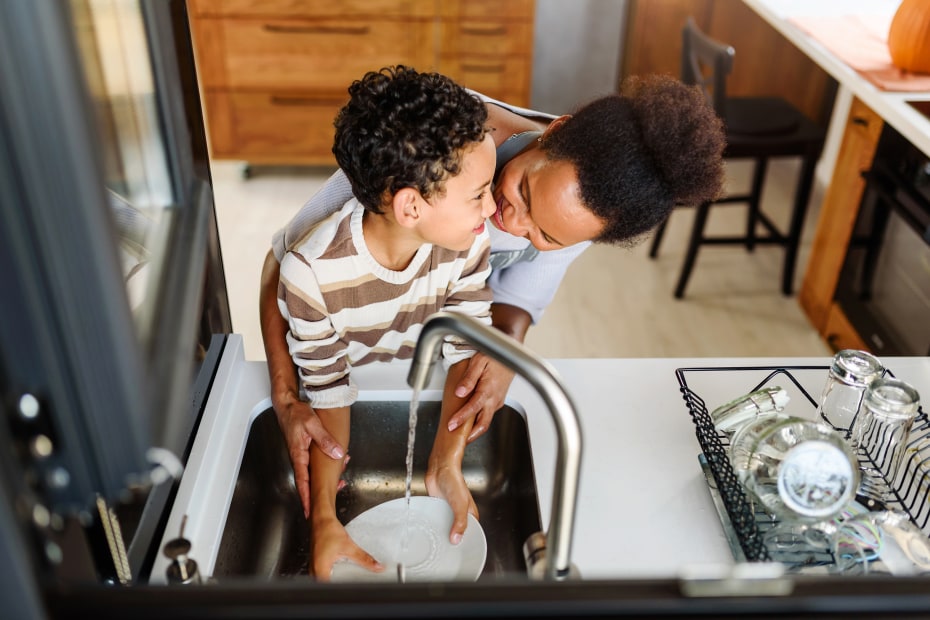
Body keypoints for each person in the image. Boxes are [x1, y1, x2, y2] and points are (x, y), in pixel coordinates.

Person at [259, 72, 727, 545]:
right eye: (522, 190)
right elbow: (286, 266)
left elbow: (508, 308)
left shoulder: (583, 208)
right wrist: (286, 396)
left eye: (545, 236)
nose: (505, 219)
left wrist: (502, 352)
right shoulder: (434, 145)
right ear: (553, 132)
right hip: (340, 335)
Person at [276, 65, 498, 580]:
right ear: (411, 205)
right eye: (478, 193)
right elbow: (328, 394)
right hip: (358, 384)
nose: (492, 207)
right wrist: (325, 521)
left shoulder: (467, 243)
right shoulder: (311, 272)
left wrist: (446, 463)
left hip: (412, 384)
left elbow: (466, 355)